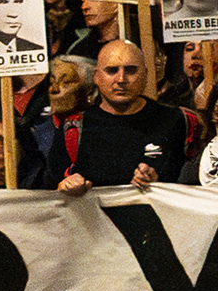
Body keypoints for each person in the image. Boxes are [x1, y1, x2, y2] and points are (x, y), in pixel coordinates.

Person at [48, 40, 201, 192]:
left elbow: (200, 183)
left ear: (145, 74)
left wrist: (159, 181)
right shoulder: (74, 127)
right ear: (96, 77)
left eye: (131, 70)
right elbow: (48, 190)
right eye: (111, 71)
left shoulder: (178, 121)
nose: (121, 79)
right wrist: (66, 184)